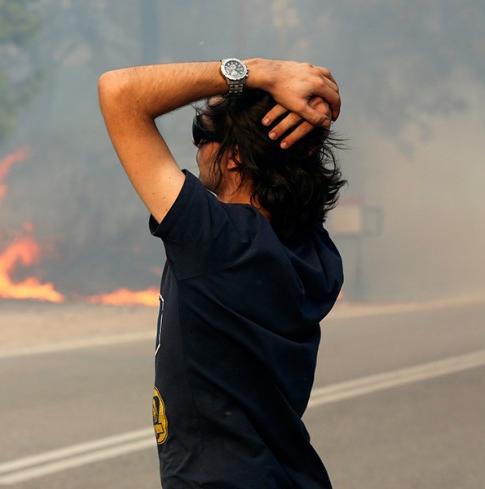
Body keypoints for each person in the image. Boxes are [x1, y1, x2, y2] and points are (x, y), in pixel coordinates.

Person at [98, 57, 346, 488]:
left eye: (203, 134)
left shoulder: (215, 241)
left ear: (234, 157)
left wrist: (259, 72)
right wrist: (307, 118)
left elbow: (119, 91)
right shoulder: (313, 251)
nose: (195, 149)